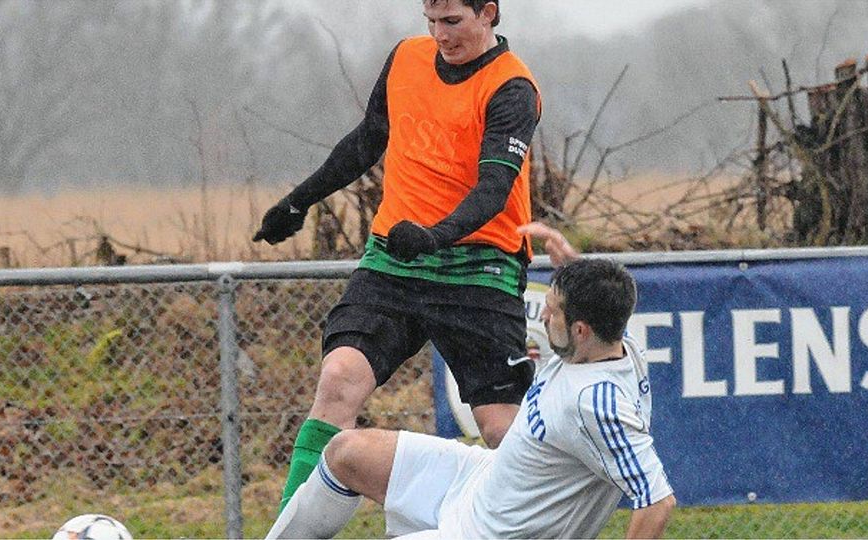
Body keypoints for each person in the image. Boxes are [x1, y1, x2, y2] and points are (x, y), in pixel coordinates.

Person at [252, 0, 541, 512]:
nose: (440, 35)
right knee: (339, 378)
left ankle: (529, 521)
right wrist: (298, 201)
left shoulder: (512, 87)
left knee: (501, 428)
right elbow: (367, 140)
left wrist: (435, 235)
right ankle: (289, 527)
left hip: (480, 270)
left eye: (452, 22)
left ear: (489, 13)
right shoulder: (407, 58)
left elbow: (495, 188)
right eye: (430, 22)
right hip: (394, 260)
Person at [265, 223, 676, 539]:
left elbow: (657, 501)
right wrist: (573, 266)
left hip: (489, 532)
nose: (545, 317)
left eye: (553, 311)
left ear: (582, 330)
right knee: (345, 451)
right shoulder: (619, 343)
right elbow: (598, 302)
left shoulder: (599, 404)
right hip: (478, 478)